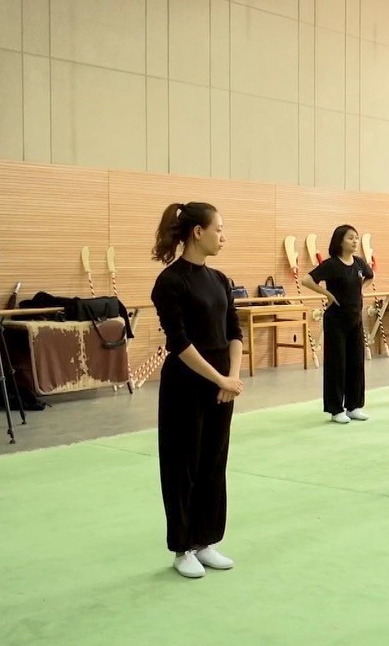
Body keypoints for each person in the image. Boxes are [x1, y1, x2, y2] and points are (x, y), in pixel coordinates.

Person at [150, 202, 245, 579]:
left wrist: (232, 379)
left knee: (213, 463)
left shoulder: (220, 279)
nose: (223, 236)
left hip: (222, 388)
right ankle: (182, 547)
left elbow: (234, 332)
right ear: (197, 233)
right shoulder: (171, 282)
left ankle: (206, 541)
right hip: (186, 387)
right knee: (182, 465)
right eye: (218, 229)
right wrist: (219, 379)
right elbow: (179, 343)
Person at [301, 225, 374, 424]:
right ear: (340, 241)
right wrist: (327, 294)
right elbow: (307, 280)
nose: (355, 241)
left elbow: (370, 276)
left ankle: (354, 406)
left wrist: (360, 290)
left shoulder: (359, 263)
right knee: (337, 364)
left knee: (356, 363)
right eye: (351, 238)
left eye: (357, 238)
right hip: (336, 321)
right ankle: (335, 409)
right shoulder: (331, 264)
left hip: (355, 320)